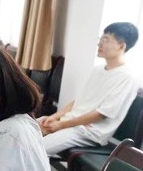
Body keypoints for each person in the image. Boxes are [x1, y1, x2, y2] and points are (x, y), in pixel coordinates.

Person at [39, 22, 139, 155]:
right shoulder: (98, 70)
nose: (99, 44)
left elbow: (101, 114)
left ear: (121, 46)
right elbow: (79, 102)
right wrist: (55, 117)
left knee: (33, 149)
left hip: (88, 132)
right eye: (100, 38)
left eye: (106, 40)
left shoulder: (127, 77)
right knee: (22, 130)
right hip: (69, 122)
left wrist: (60, 125)